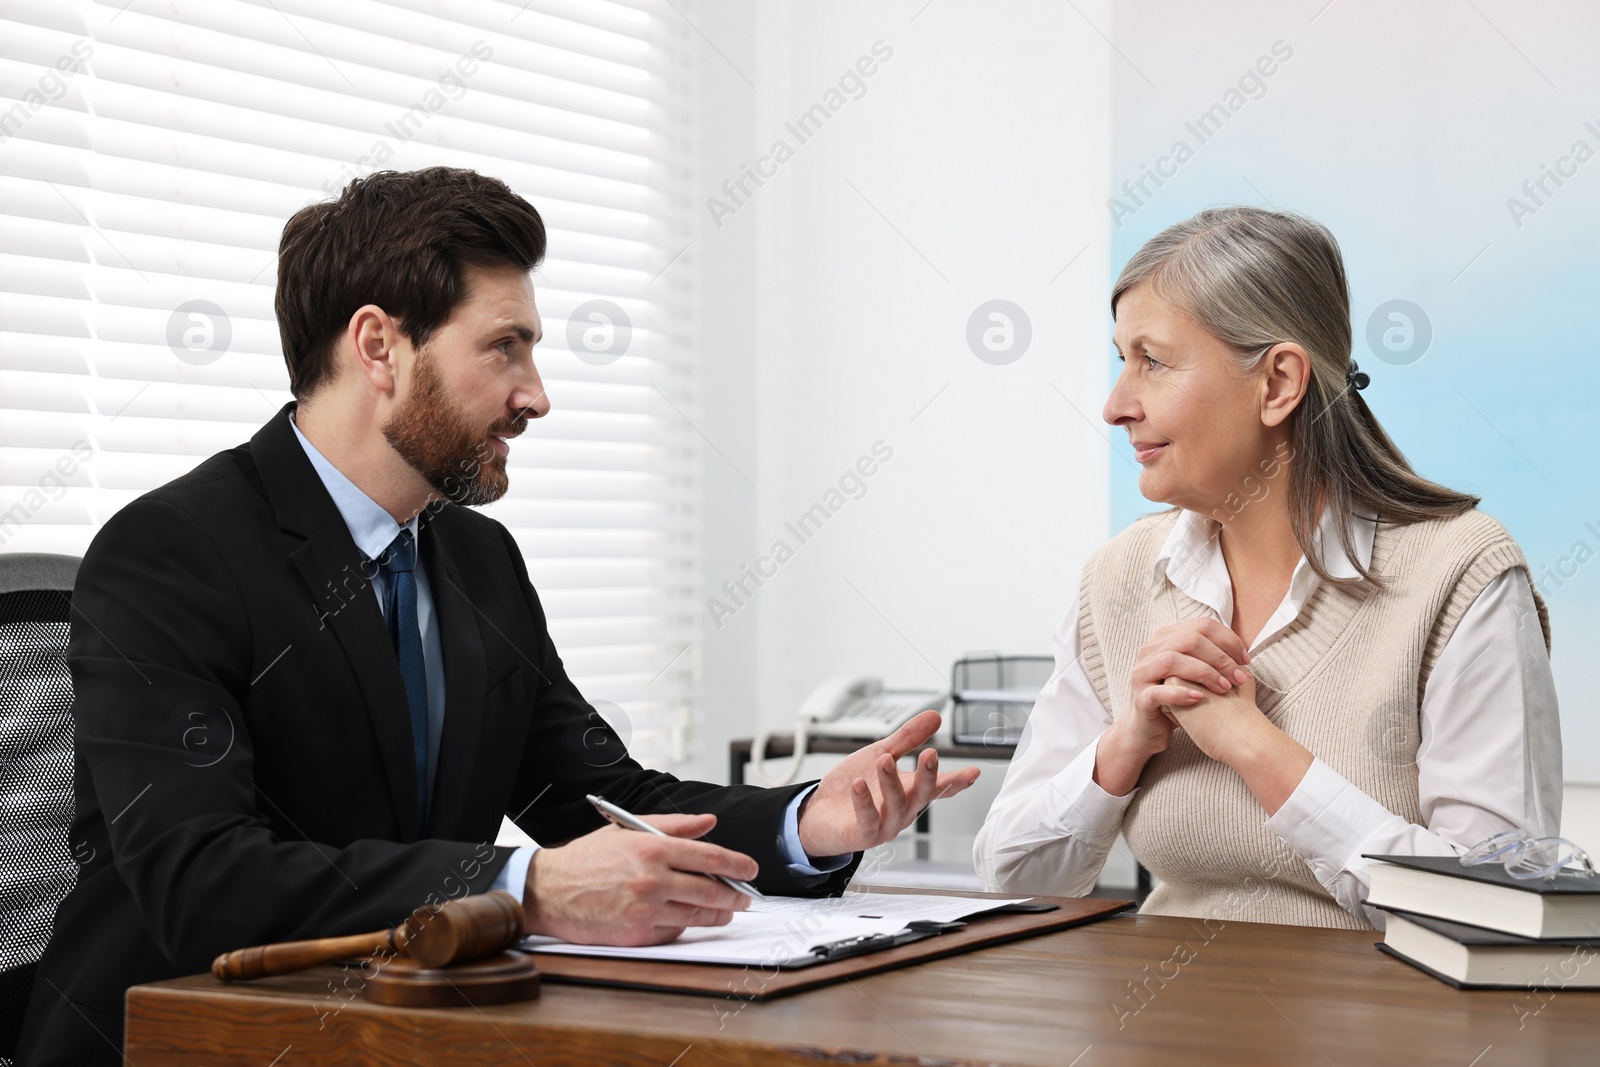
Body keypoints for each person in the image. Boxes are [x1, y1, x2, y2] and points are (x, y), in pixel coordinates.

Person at [19, 167, 980, 1064]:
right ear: (380, 346)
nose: (537, 396)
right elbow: (201, 880)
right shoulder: (174, 550)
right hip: (177, 1036)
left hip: (396, 1026)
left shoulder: (477, 559)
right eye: (503, 347)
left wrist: (811, 823)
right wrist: (527, 888)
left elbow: (594, 792)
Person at [975, 206, 1560, 930]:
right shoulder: (1119, 578)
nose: (1115, 404)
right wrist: (1125, 742)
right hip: (1162, 1029)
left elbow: (1502, 912)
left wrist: (1253, 745)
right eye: (1120, 359)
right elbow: (1010, 874)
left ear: (1278, 382)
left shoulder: (1460, 575)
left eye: (1152, 360)